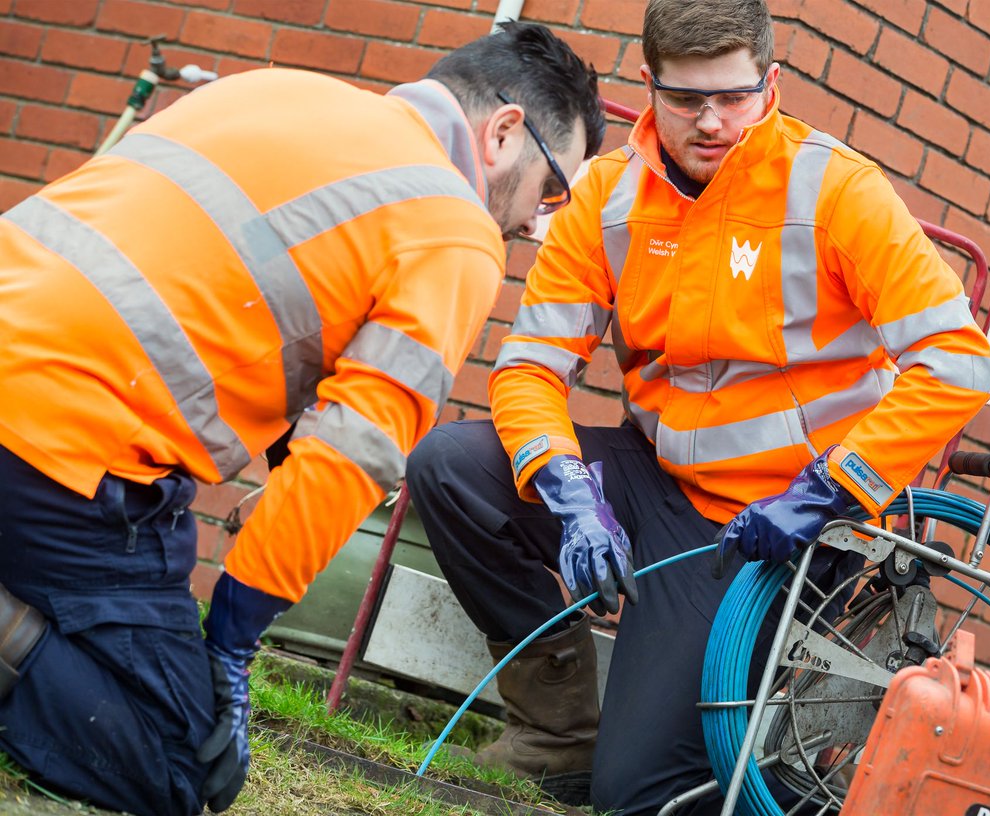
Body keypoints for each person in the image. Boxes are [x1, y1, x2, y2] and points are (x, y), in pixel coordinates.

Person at [0, 21, 604, 816]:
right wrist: (232, 644)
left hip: (48, 409)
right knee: (185, 762)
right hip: (67, 453)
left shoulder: (271, 88)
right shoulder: (454, 228)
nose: (537, 225)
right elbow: (351, 456)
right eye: (551, 192)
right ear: (502, 133)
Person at [406, 1, 990, 813]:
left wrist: (828, 491)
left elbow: (957, 364)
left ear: (771, 84)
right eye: (685, 100)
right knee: (448, 468)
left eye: (734, 97)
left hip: (781, 530)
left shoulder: (837, 190)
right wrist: (569, 490)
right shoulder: (609, 197)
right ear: (649, 86)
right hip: (651, 482)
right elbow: (529, 367)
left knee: (638, 794)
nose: (711, 122)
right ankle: (558, 731)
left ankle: (696, 753)